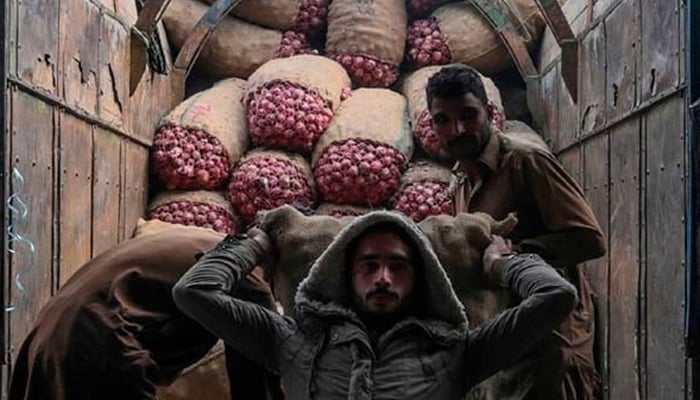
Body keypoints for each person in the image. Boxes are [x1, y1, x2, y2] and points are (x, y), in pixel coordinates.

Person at [173, 210, 578, 399]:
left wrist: (504, 264)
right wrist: (255, 244)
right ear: (344, 277)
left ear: (420, 281)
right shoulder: (291, 342)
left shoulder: (458, 352)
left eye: (397, 266)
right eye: (369, 265)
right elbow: (194, 292)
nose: (383, 277)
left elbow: (556, 297)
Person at [426, 64, 607, 400]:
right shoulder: (460, 183)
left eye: (469, 115)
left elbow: (590, 239)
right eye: (443, 120)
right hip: (508, 346)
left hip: (554, 344)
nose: (457, 129)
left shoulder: (526, 162)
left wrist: (514, 254)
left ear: (490, 113)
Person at [8, 223, 283, 400]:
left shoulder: (209, 242)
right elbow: (256, 380)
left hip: (52, 330)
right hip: (100, 340)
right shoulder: (248, 279)